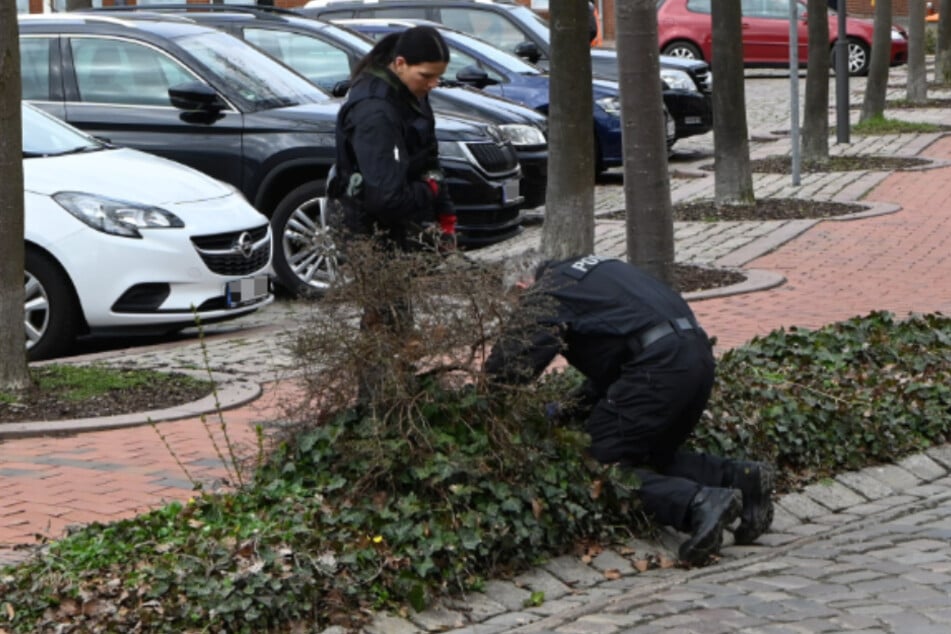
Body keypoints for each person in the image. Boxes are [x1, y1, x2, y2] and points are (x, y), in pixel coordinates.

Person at [484, 253, 775, 566]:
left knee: (597, 463)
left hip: (658, 369)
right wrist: (568, 409)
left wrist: (482, 403)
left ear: (521, 286)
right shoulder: (590, 271)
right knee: (645, 455)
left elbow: (509, 368)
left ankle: (698, 503)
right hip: (694, 358)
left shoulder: (548, 291)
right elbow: (618, 362)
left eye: (518, 302)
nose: (520, 310)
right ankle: (741, 477)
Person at [328, 25, 457, 256]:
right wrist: (430, 188)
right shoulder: (375, 112)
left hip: (407, 229)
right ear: (400, 64)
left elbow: (429, 156)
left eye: (438, 77)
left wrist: (446, 217)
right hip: (370, 238)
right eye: (426, 76)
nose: (432, 84)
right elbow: (387, 198)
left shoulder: (413, 94)